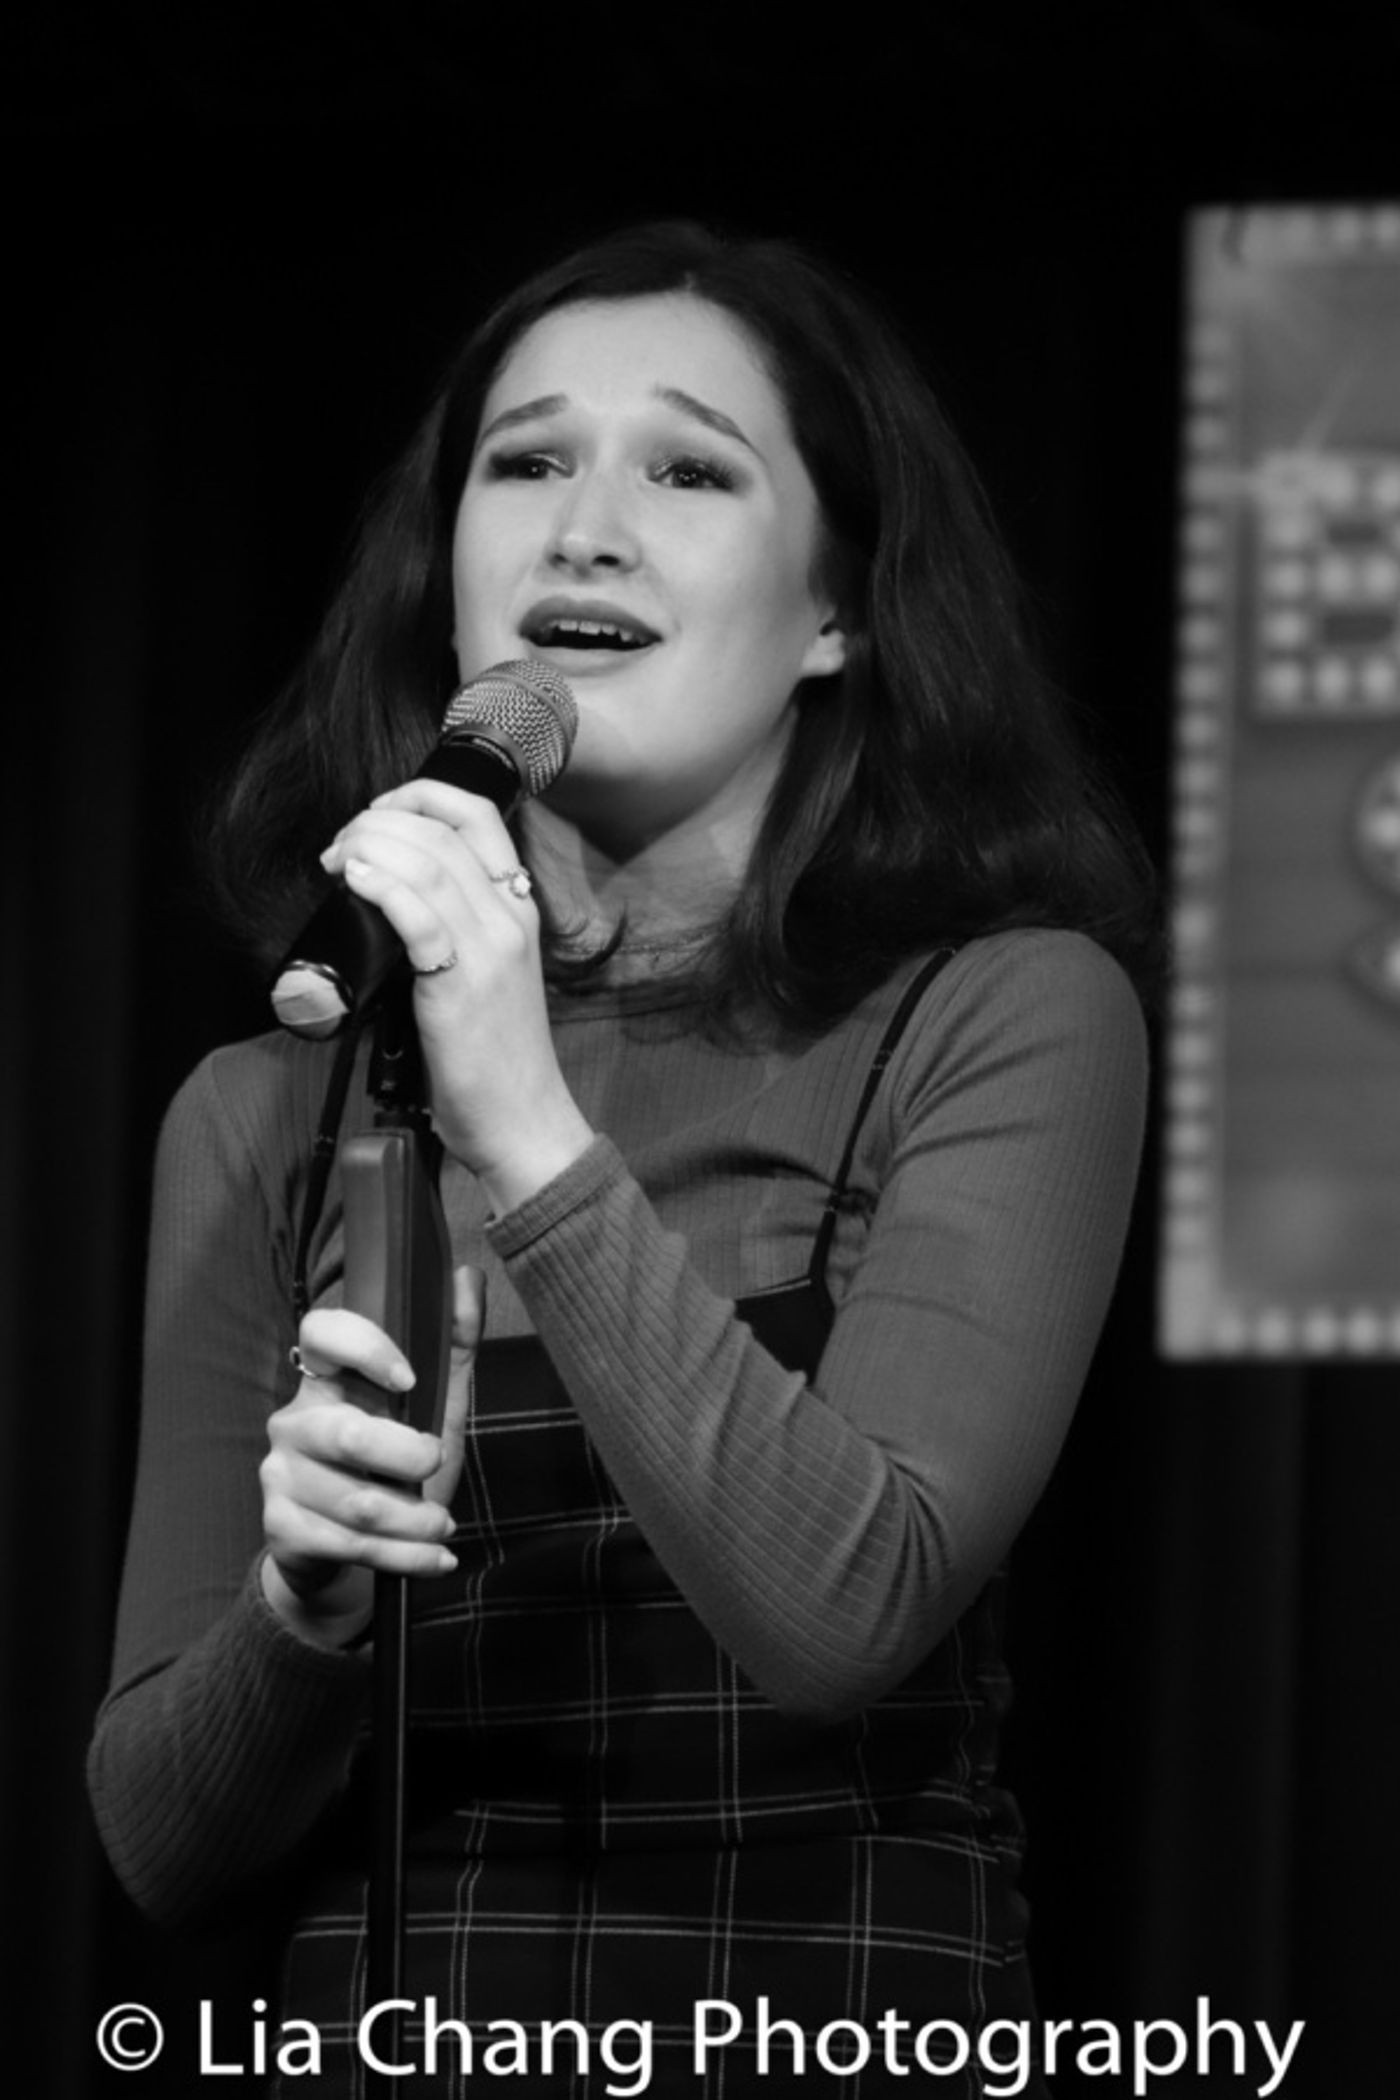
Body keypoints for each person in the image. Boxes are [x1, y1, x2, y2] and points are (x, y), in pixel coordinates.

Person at [89, 219, 1155, 2096]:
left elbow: (846, 1613)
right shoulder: (267, 1106)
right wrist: (301, 1616)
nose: (584, 526)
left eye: (685, 466)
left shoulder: (1004, 1015)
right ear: (450, 589)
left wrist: (523, 1119)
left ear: (839, 609)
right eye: (526, 462)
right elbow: (166, 1846)